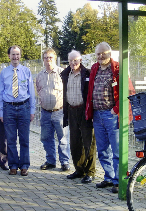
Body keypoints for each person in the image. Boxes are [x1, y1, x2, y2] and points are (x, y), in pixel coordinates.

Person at [85, 42, 120, 193]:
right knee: (102, 150)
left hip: (111, 114)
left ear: (109, 53)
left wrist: (116, 110)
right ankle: (108, 177)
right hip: (97, 115)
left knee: (116, 149)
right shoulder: (95, 68)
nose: (100, 56)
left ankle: (118, 181)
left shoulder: (117, 69)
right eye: (98, 54)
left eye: (103, 53)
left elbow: (125, 90)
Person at [0, 45, 36, 176]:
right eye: (13, 54)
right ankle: (13, 165)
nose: (15, 57)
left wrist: (32, 110)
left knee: (24, 139)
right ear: (9, 56)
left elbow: (31, 92)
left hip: (24, 107)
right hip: (9, 108)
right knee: (11, 139)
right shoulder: (4, 73)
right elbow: (0, 93)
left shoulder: (26, 71)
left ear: (20, 55)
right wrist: (1, 112)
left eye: (17, 54)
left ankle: (24, 165)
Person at [60, 50, 96, 183]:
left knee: (89, 142)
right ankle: (79, 169)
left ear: (80, 60)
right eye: (70, 61)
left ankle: (90, 172)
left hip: (84, 110)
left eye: (75, 60)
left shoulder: (87, 73)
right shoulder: (65, 74)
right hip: (71, 110)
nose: (73, 63)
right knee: (75, 142)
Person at [36, 48, 71, 172]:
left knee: (63, 139)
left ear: (55, 59)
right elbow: (38, 90)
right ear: (43, 59)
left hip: (59, 112)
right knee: (46, 138)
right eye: (46, 57)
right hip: (45, 112)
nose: (48, 60)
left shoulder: (63, 73)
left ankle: (65, 162)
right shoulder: (40, 76)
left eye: (50, 57)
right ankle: (50, 161)